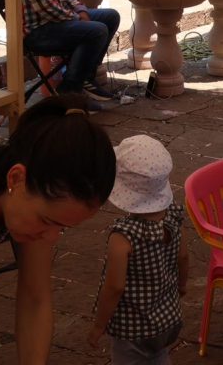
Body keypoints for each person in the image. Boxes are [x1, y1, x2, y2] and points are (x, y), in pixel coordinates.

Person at [0, 94, 116, 364]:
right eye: (48, 221)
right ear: (16, 178)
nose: (52, 236)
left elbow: (35, 299)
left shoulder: (33, 180)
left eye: (63, 227)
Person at [90, 135, 188, 364]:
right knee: (159, 356)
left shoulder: (123, 236)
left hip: (132, 328)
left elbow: (114, 287)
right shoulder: (174, 217)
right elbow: (183, 257)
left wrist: (99, 325)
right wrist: (181, 286)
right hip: (169, 319)